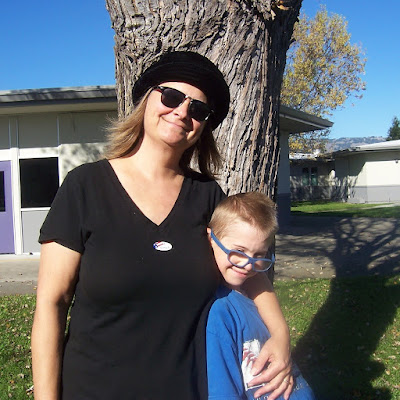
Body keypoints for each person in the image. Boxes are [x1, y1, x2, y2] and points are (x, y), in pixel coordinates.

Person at [31, 51, 291, 399]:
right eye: (171, 96)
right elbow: (52, 302)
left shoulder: (208, 196)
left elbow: (250, 267)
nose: (183, 112)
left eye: (198, 110)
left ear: (204, 127)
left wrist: (281, 337)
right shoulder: (84, 187)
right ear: (146, 100)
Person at [206, 192, 316, 400]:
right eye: (238, 251)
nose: (248, 264)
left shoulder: (255, 296)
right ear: (211, 238)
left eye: (259, 255)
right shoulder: (219, 313)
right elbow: (223, 392)